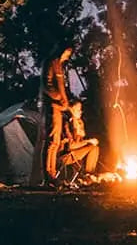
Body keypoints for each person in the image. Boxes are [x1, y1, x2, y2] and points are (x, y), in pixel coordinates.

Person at [41, 44, 73, 181]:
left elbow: (61, 86)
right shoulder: (51, 63)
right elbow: (47, 85)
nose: (68, 56)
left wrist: (66, 102)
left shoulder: (59, 66)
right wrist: (59, 98)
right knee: (52, 141)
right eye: (67, 53)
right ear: (61, 51)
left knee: (56, 141)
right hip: (53, 106)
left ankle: (52, 173)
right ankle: (48, 174)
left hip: (59, 107)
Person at [61, 100, 100, 174]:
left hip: (76, 153)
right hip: (67, 156)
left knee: (94, 147)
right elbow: (71, 146)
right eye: (78, 110)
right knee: (93, 148)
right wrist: (88, 141)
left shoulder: (79, 123)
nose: (81, 112)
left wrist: (89, 141)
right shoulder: (68, 124)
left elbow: (81, 140)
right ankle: (88, 174)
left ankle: (89, 174)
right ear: (72, 110)